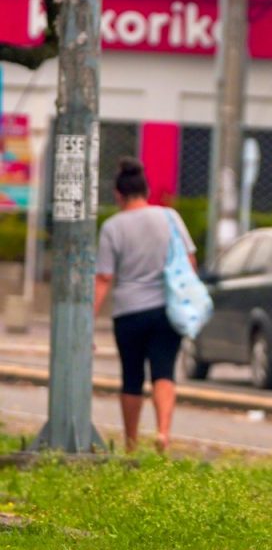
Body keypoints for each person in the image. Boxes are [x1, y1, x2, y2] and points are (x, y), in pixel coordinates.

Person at [94, 157, 198, 453]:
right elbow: (189, 260)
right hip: (166, 310)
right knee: (164, 371)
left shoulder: (112, 227)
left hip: (129, 312)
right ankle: (163, 433)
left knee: (131, 377)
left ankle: (131, 443)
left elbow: (103, 277)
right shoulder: (169, 217)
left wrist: (88, 321)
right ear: (146, 190)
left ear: (118, 194)